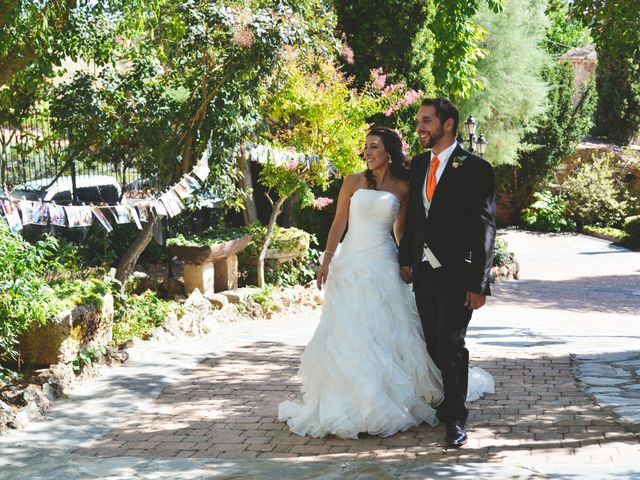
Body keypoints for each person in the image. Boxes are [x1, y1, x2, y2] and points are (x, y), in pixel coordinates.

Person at [277, 126, 492, 440]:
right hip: (351, 263)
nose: (367, 152)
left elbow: (401, 232)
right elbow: (339, 222)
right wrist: (326, 260)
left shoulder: (403, 188)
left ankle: (387, 400)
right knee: (347, 331)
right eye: (365, 147)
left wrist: (409, 263)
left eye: (374, 146)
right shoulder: (352, 181)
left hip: (383, 263)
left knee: (384, 331)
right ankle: (349, 403)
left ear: (389, 152)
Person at [399, 98, 497, 448]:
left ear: (449, 124)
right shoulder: (421, 163)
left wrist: (479, 282)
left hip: (458, 276)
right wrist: (405, 259)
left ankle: (455, 418)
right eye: (419, 121)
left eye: (426, 121)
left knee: (451, 343)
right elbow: (415, 218)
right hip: (424, 274)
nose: (420, 127)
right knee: (433, 343)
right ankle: (450, 401)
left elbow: (485, 228)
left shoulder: (476, 168)